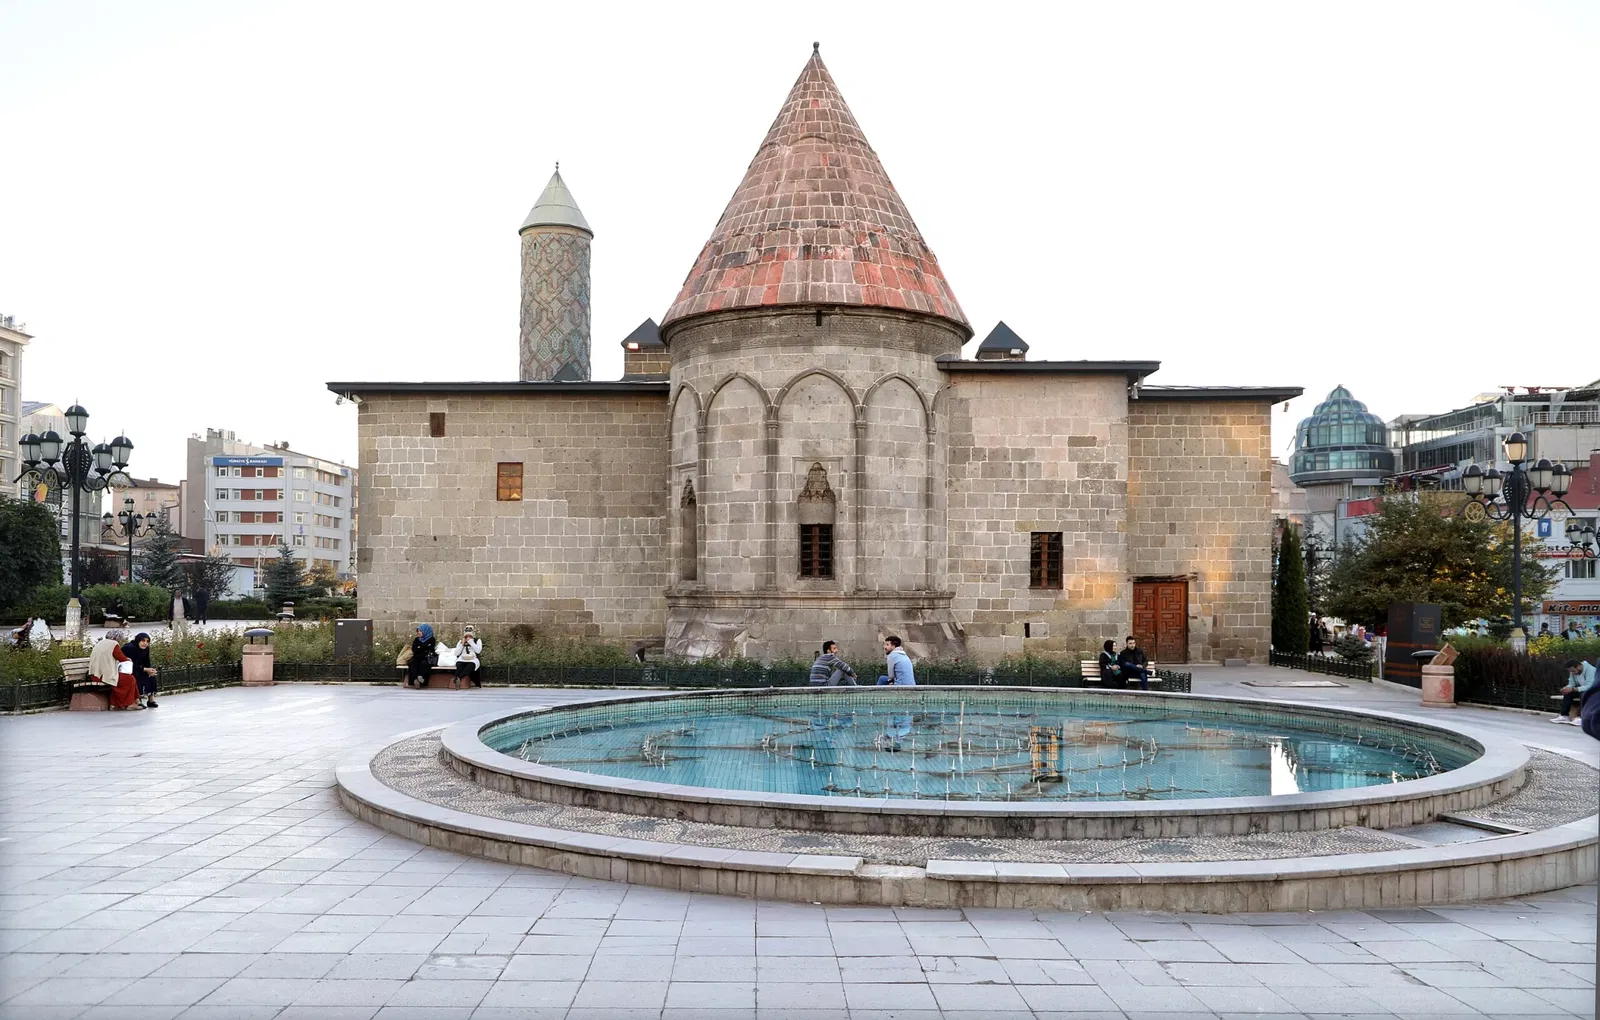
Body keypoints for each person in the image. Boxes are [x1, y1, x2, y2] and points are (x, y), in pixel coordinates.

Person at [90, 630, 140, 710]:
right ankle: (129, 703)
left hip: (95, 674)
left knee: (122, 679)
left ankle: (115, 704)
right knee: (129, 679)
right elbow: (122, 658)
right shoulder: (113, 644)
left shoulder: (100, 643)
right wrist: (128, 660)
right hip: (103, 676)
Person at [1551, 659, 1597, 725]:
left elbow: (1589, 686)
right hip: (1582, 690)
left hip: (1595, 691)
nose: (1572, 673)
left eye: (1573, 671)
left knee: (1583, 694)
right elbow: (1571, 683)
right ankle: (1564, 716)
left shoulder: (1591, 670)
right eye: (1570, 671)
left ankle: (1581, 718)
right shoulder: (1573, 671)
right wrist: (1566, 688)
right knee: (1568, 693)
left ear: (1579, 666)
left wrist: (1573, 689)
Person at [123, 632, 158, 708]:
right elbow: (130, 664)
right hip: (127, 670)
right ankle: (137, 700)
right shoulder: (129, 648)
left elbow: (147, 661)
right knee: (136, 676)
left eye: (147, 641)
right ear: (138, 640)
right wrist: (145, 669)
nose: (145, 643)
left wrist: (150, 670)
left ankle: (151, 700)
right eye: (143, 641)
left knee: (150, 675)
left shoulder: (146, 649)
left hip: (138, 668)